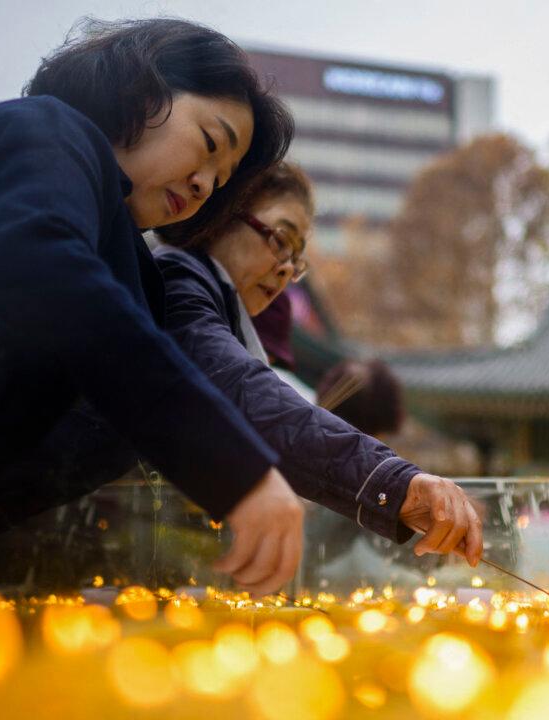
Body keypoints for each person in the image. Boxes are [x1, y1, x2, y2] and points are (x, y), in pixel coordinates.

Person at [0, 18, 304, 595]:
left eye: (220, 180)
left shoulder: (132, 265)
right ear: (142, 88)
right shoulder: (45, 132)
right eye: (210, 144)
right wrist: (232, 470)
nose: (203, 184)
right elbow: (42, 270)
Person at [154, 162, 483, 580]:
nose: (287, 269)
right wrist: (395, 482)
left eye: (297, 258)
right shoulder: (176, 280)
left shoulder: (218, 310)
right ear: (221, 213)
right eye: (281, 239)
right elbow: (249, 397)